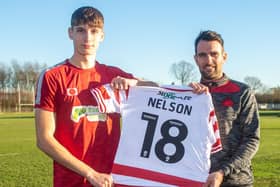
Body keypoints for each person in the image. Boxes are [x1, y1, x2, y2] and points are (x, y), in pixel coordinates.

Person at [34, 6, 140, 187]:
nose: (87, 38)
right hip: (71, 181)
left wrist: (134, 83)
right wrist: (90, 173)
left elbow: (157, 91)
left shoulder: (113, 75)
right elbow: (44, 139)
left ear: (102, 36)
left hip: (111, 180)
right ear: (70, 33)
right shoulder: (52, 76)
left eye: (94, 31)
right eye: (81, 30)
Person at [193, 30, 260, 187]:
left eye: (214, 54)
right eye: (202, 55)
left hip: (236, 182)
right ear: (196, 59)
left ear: (224, 57)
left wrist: (223, 172)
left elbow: (251, 139)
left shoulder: (242, 91)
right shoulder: (189, 95)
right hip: (199, 181)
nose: (208, 60)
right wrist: (133, 84)